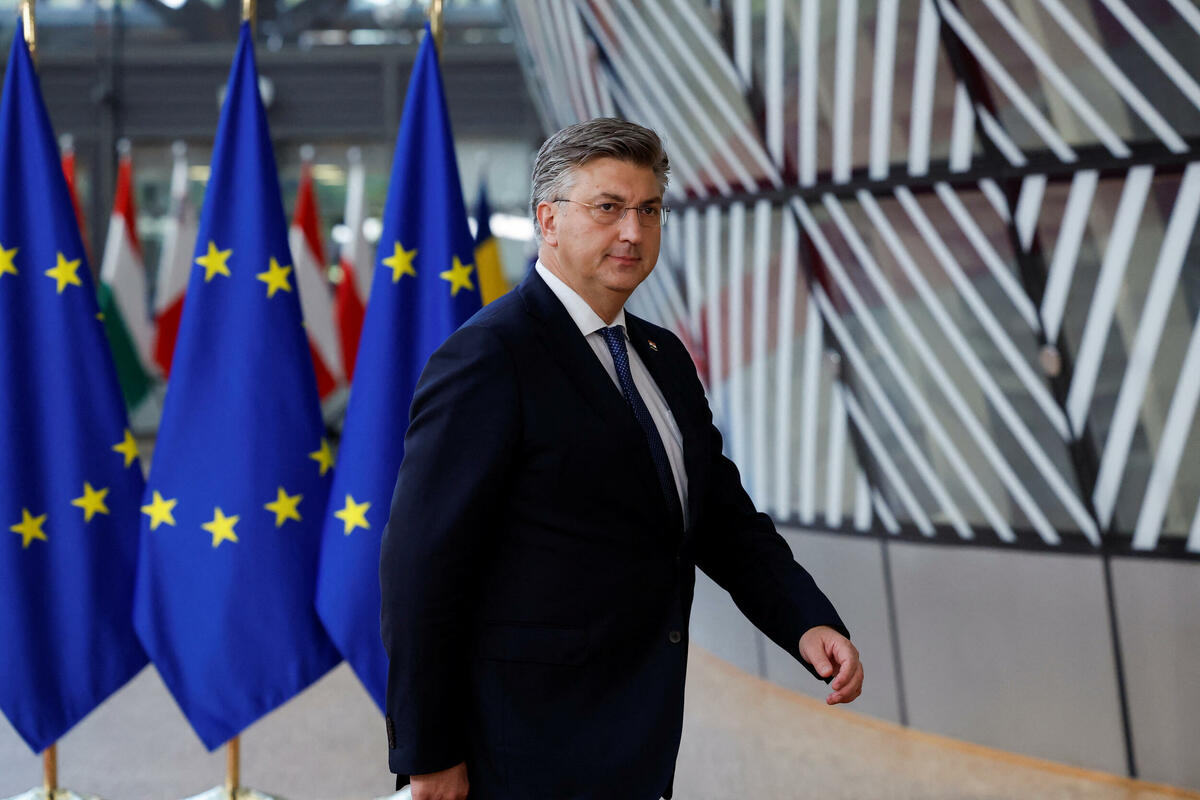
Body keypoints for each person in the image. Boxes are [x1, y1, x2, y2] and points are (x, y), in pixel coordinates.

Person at [380, 117, 862, 800]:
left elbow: (719, 515)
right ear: (548, 220)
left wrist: (806, 619)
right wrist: (429, 753)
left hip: (635, 737)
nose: (633, 231)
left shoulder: (663, 356)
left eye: (650, 210)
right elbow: (421, 567)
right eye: (608, 208)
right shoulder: (489, 357)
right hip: (519, 750)